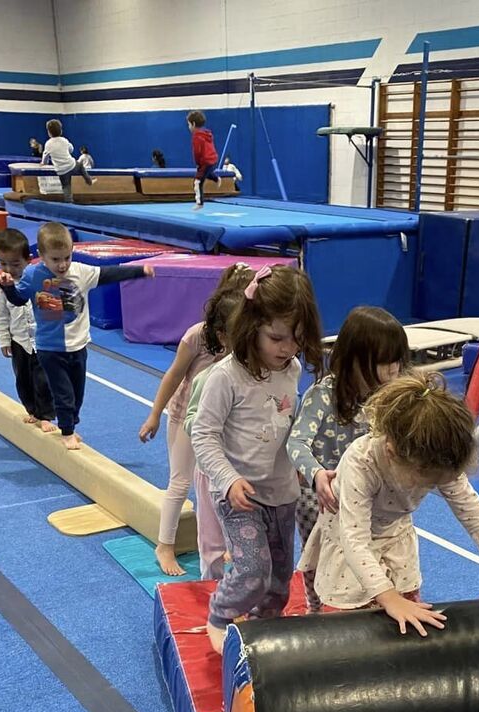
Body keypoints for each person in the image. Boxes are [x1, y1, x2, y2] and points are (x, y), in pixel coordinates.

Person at [298, 373, 479, 635]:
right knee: (354, 618)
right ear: (393, 453)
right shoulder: (362, 463)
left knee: (407, 614)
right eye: (429, 482)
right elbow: (354, 540)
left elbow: (473, 511)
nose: (432, 486)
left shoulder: (440, 455)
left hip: (394, 533)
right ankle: (316, 612)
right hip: (348, 536)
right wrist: (390, 598)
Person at [191, 265, 324, 653]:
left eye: (296, 339)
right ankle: (220, 615)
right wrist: (228, 479)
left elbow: (286, 423)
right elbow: (203, 433)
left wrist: (302, 463)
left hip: (282, 493)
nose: (287, 348)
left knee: (279, 581)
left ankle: (262, 628)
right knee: (252, 571)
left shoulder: (291, 369)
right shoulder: (226, 377)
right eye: (276, 337)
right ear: (252, 326)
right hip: (239, 495)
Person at [288, 305, 409, 611]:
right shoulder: (323, 394)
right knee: (320, 556)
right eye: (385, 362)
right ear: (354, 359)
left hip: (366, 494)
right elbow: (297, 442)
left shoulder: (388, 398)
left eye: (397, 361)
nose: (394, 371)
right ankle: (315, 606)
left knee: (367, 551)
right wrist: (317, 475)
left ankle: (372, 602)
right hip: (323, 495)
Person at [138, 265, 256, 577]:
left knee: (220, 483)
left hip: (222, 422)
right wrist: (154, 415)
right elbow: (173, 375)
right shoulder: (197, 336)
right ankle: (165, 545)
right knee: (181, 481)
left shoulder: (248, 341)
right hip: (186, 416)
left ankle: (223, 541)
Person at [0, 222, 155, 451]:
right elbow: (19, 300)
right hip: (50, 348)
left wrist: (140, 271)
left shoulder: (81, 272)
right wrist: (8, 288)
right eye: (55, 259)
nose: (62, 265)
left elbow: (110, 274)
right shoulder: (33, 275)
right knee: (64, 393)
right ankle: (67, 431)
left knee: (77, 394)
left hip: (78, 346)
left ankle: (71, 423)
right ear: (41, 255)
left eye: (67, 257)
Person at [0, 228, 55, 433]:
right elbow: (0, 314)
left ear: (28, 259)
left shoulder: (39, 279)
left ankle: (46, 415)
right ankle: (32, 410)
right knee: (23, 380)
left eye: (15, 264)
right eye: (3, 264)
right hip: (19, 341)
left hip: (42, 340)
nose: (9, 269)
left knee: (43, 380)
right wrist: (4, 340)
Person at [41, 119, 96, 202]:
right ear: (61, 130)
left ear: (49, 132)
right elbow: (71, 149)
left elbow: (45, 155)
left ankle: (69, 201)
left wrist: (43, 163)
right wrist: (66, 151)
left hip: (61, 170)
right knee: (80, 166)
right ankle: (89, 181)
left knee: (66, 186)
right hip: (71, 165)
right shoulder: (64, 140)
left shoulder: (48, 144)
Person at [186, 110, 219, 211]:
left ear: (193, 124)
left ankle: (199, 203)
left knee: (197, 182)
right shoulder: (207, 134)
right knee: (205, 173)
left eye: (189, 124)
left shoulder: (197, 136)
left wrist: (198, 163)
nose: (188, 127)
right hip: (213, 159)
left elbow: (197, 152)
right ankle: (216, 178)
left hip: (206, 161)